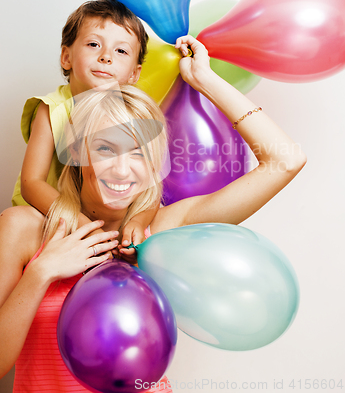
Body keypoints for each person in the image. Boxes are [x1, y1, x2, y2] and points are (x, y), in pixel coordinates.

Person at [0, 36, 307, 392]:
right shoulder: (23, 229)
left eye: (138, 153)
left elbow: (287, 160)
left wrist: (203, 80)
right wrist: (41, 272)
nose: (121, 169)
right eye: (103, 147)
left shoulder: (165, 229)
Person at [11, 0, 158, 257]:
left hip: (104, 223)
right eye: (93, 44)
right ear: (66, 57)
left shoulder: (132, 114)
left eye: (120, 51)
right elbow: (31, 183)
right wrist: (83, 225)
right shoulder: (52, 109)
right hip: (48, 218)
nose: (105, 57)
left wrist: (138, 222)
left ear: (134, 74)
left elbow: (150, 187)